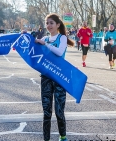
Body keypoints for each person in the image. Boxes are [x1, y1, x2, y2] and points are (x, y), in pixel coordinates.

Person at [34, 13, 74, 141]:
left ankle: (63, 136)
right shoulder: (44, 39)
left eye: (51, 23)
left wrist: (44, 44)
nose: (49, 25)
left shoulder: (61, 38)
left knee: (59, 111)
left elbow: (59, 52)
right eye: (47, 23)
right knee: (46, 112)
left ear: (58, 25)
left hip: (59, 78)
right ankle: (46, 139)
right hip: (46, 78)